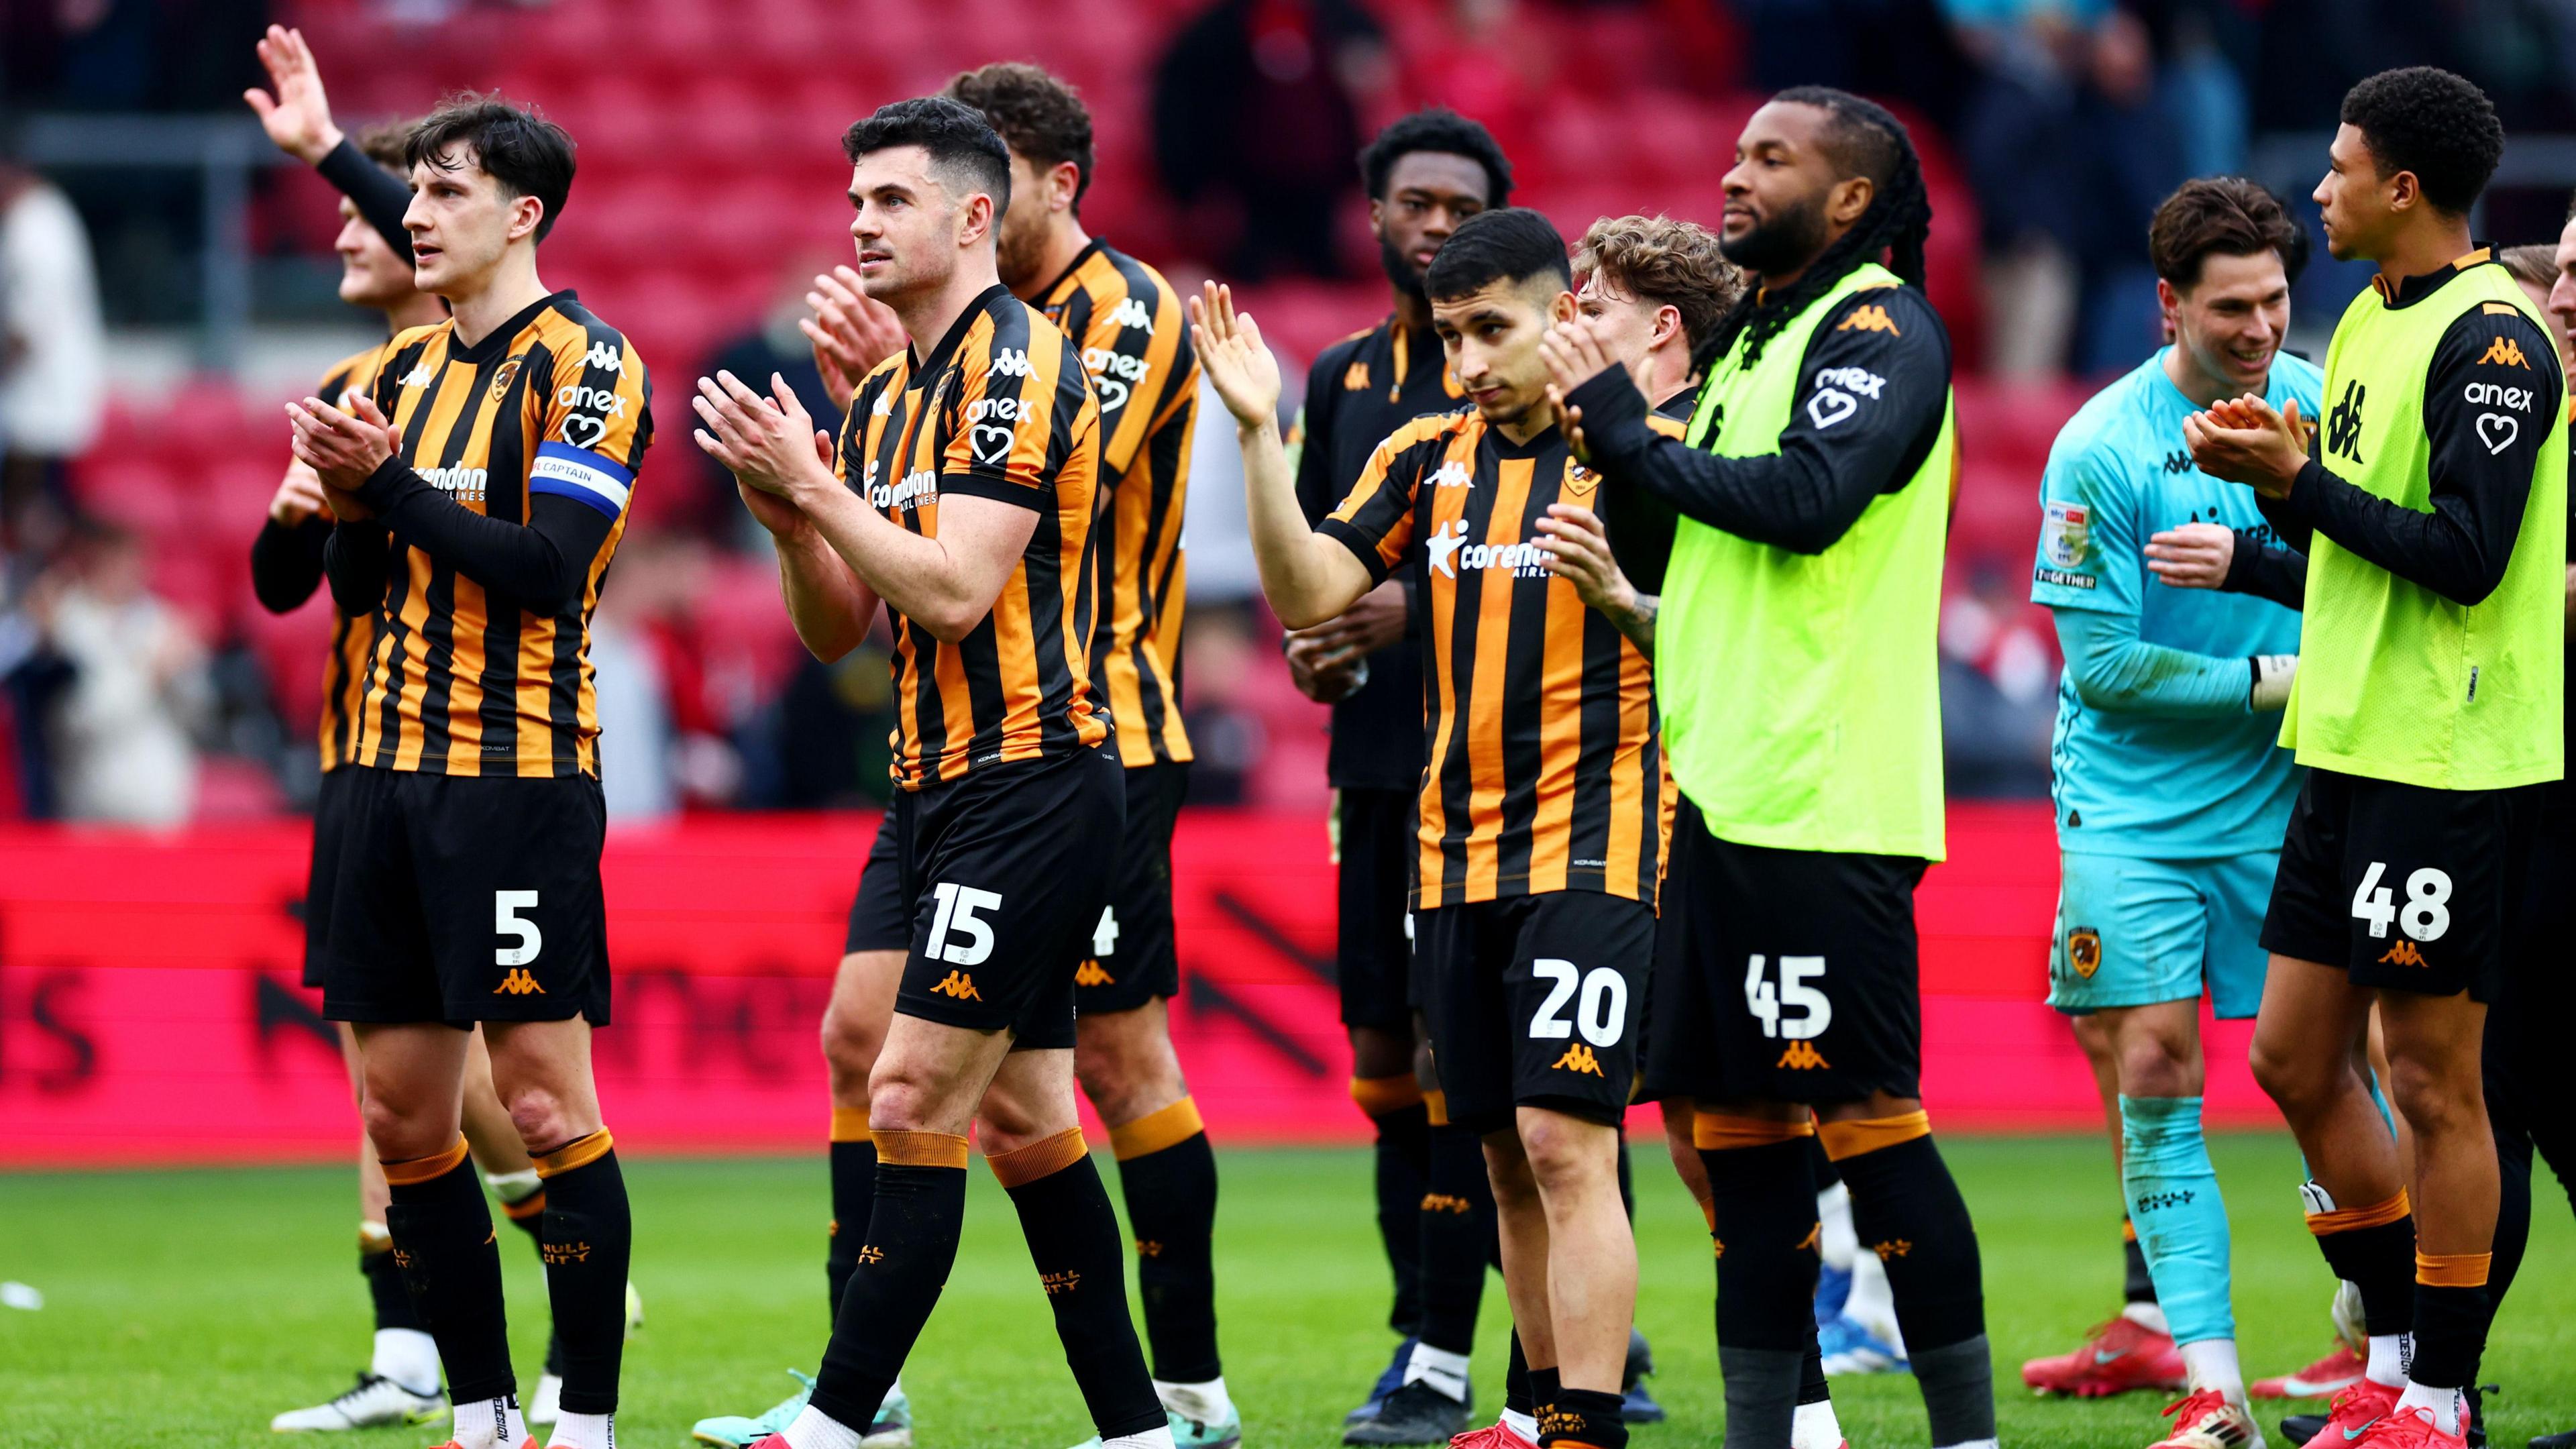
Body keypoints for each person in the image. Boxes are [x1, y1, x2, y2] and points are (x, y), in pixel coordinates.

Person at [691, 61, 1228, 1449]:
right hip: (932, 784)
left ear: (977, 217)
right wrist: (786, 518)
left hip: (1039, 775)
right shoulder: (892, 395)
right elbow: (841, 631)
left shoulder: (1015, 365)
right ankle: (1135, 1426)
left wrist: (814, 487)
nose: (859, 224)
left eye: (890, 200)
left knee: (915, 1090)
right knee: (1022, 1104)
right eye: (852, 198)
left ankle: (841, 1412)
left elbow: (956, 590)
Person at [1543, 86, 1996, 1449]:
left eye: (1769, 159)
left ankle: (1964, 1439)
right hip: (1719, 794)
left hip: (1824, 792)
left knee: (1864, 1116)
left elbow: (1810, 506)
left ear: (1851, 199)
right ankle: (1776, 1437)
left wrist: (1627, 432)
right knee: (1730, 1137)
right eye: (1735, 152)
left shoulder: (1879, 329)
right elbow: (1686, 546)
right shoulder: (1751, 351)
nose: (1732, 177)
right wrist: (1609, 442)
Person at [1193, 205, 1668, 1449]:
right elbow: (1309, 594)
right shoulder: (1425, 454)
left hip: (1599, 836)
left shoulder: (1642, 451)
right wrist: (1257, 434)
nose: (1466, 361)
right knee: (1503, 1149)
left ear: (1563, 313)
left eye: (1491, 330)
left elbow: (1727, 633)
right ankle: (1538, 1409)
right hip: (1451, 854)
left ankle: (1588, 1424)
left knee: (1569, 1141)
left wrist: (1626, 597)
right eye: (1451, 334)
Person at [2184, 66, 2565, 1449]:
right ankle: (2395, 1352)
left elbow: (2468, 561)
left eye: (2339, 168)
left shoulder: (2498, 340)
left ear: (2404, 187)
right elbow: (2359, 543)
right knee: (2292, 1058)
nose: (2319, 189)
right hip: (2343, 747)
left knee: (2433, 1082)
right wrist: (2269, 508)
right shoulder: (2364, 324)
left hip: (2447, 757)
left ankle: (2438, 1397)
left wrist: (2297, 484)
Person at [288, 94, 651, 1449]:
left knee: (548, 1099)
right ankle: (486, 1414)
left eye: (441, 194)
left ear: (522, 214)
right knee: (402, 1118)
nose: (414, 217)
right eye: (413, 194)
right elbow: (363, 585)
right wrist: (346, 502)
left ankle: (588, 1418)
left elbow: (550, 573)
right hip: (378, 773)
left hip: (515, 779)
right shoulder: (405, 373)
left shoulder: (592, 363)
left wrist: (388, 491)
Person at [2010, 176, 2321, 1447]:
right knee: (2152, 1062)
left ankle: (2384, 1347)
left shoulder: (2317, 413)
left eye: (2275, 302)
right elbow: (2105, 671)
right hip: (2133, 809)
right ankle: (2211, 1383)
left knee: (2334, 1075)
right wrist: (2269, 680)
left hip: (2291, 803)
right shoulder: (2100, 446)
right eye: (2231, 306)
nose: (2257, 329)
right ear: (2168, 307)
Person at [1277, 107, 1513, 1448]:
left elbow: (1550, 554)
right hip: (1374, 763)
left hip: (1496, 765)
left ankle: (1451, 1352)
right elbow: (1322, 571)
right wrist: (1318, 653)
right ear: (1373, 216)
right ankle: (1426, 1318)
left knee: (1480, 1058)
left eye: (1457, 205)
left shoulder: (1531, 378)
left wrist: (1408, 615)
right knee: (1382, 1063)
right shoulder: (1344, 380)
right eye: (1413, 202)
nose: (1432, 224)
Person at [2503, 230, 2576, 1449]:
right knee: (2491, 1091)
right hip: (2531, 802)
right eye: (2559, 274)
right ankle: (2421, 1383)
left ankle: (2423, 1384)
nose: (2561, 296)